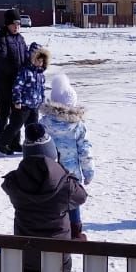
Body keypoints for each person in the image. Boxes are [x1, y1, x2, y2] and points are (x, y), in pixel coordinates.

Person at [1, 122, 87, 272]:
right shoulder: (65, 183)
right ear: (52, 153)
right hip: (57, 250)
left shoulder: (13, 182)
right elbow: (81, 197)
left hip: (27, 249)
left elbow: (7, 186)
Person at [39, 73, 94, 240]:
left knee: (52, 202)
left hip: (50, 173)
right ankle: (75, 232)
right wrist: (89, 172)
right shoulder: (77, 125)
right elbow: (85, 150)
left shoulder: (44, 123)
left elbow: (39, 148)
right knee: (72, 203)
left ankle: (52, 231)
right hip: (72, 174)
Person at [0, 43, 49, 155]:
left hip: (34, 106)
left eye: (42, 61)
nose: (39, 63)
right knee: (15, 125)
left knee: (32, 127)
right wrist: (17, 100)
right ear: (32, 58)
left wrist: (42, 100)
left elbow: (42, 89)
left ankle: (32, 145)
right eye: (37, 60)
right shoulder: (25, 71)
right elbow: (17, 87)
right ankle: (1, 144)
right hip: (23, 105)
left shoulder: (40, 74)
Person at [0, 8, 28, 153]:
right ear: (7, 24)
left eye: (19, 24)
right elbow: (1, 60)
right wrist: (16, 74)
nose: (17, 27)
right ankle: (0, 142)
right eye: (14, 24)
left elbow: (25, 57)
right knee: (4, 113)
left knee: (16, 114)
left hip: (18, 84)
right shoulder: (1, 36)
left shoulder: (20, 38)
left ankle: (14, 142)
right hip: (5, 83)